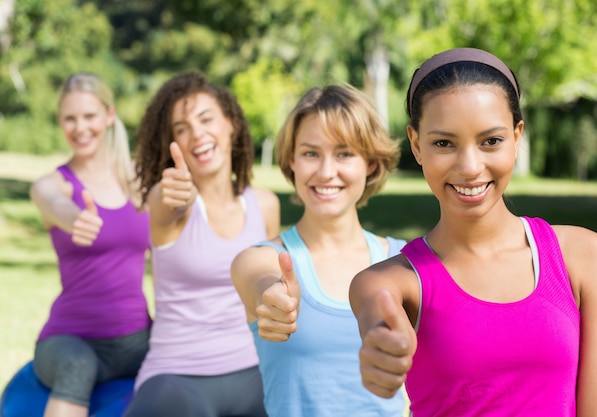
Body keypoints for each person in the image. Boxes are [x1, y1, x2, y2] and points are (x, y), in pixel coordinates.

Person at [349, 47, 597, 417]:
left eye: (491, 141)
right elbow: (377, 321)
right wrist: (381, 349)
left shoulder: (585, 256)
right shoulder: (389, 282)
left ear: (516, 135)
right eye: (444, 143)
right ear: (416, 144)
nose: (470, 167)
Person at [230, 84, 407, 417]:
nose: (326, 172)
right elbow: (260, 281)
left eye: (344, 153)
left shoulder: (405, 263)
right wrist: (272, 298)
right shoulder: (259, 259)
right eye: (311, 153)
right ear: (291, 162)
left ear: (369, 163)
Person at [122, 71, 280, 417]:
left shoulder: (264, 205)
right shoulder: (169, 206)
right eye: (181, 128)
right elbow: (164, 200)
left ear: (231, 125)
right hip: (176, 376)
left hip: (255, 373)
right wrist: (172, 190)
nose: (196, 133)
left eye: (206, 119)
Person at [27, 73, 151, 417]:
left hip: (137, 338)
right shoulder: (54, 185)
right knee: (78, 367)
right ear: (60, 122)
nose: (80, 127)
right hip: (70, 339)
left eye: (89, 116)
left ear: (109, 115)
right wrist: (74, 218)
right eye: (70, 118)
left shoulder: (140, 181)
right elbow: (52, 202)